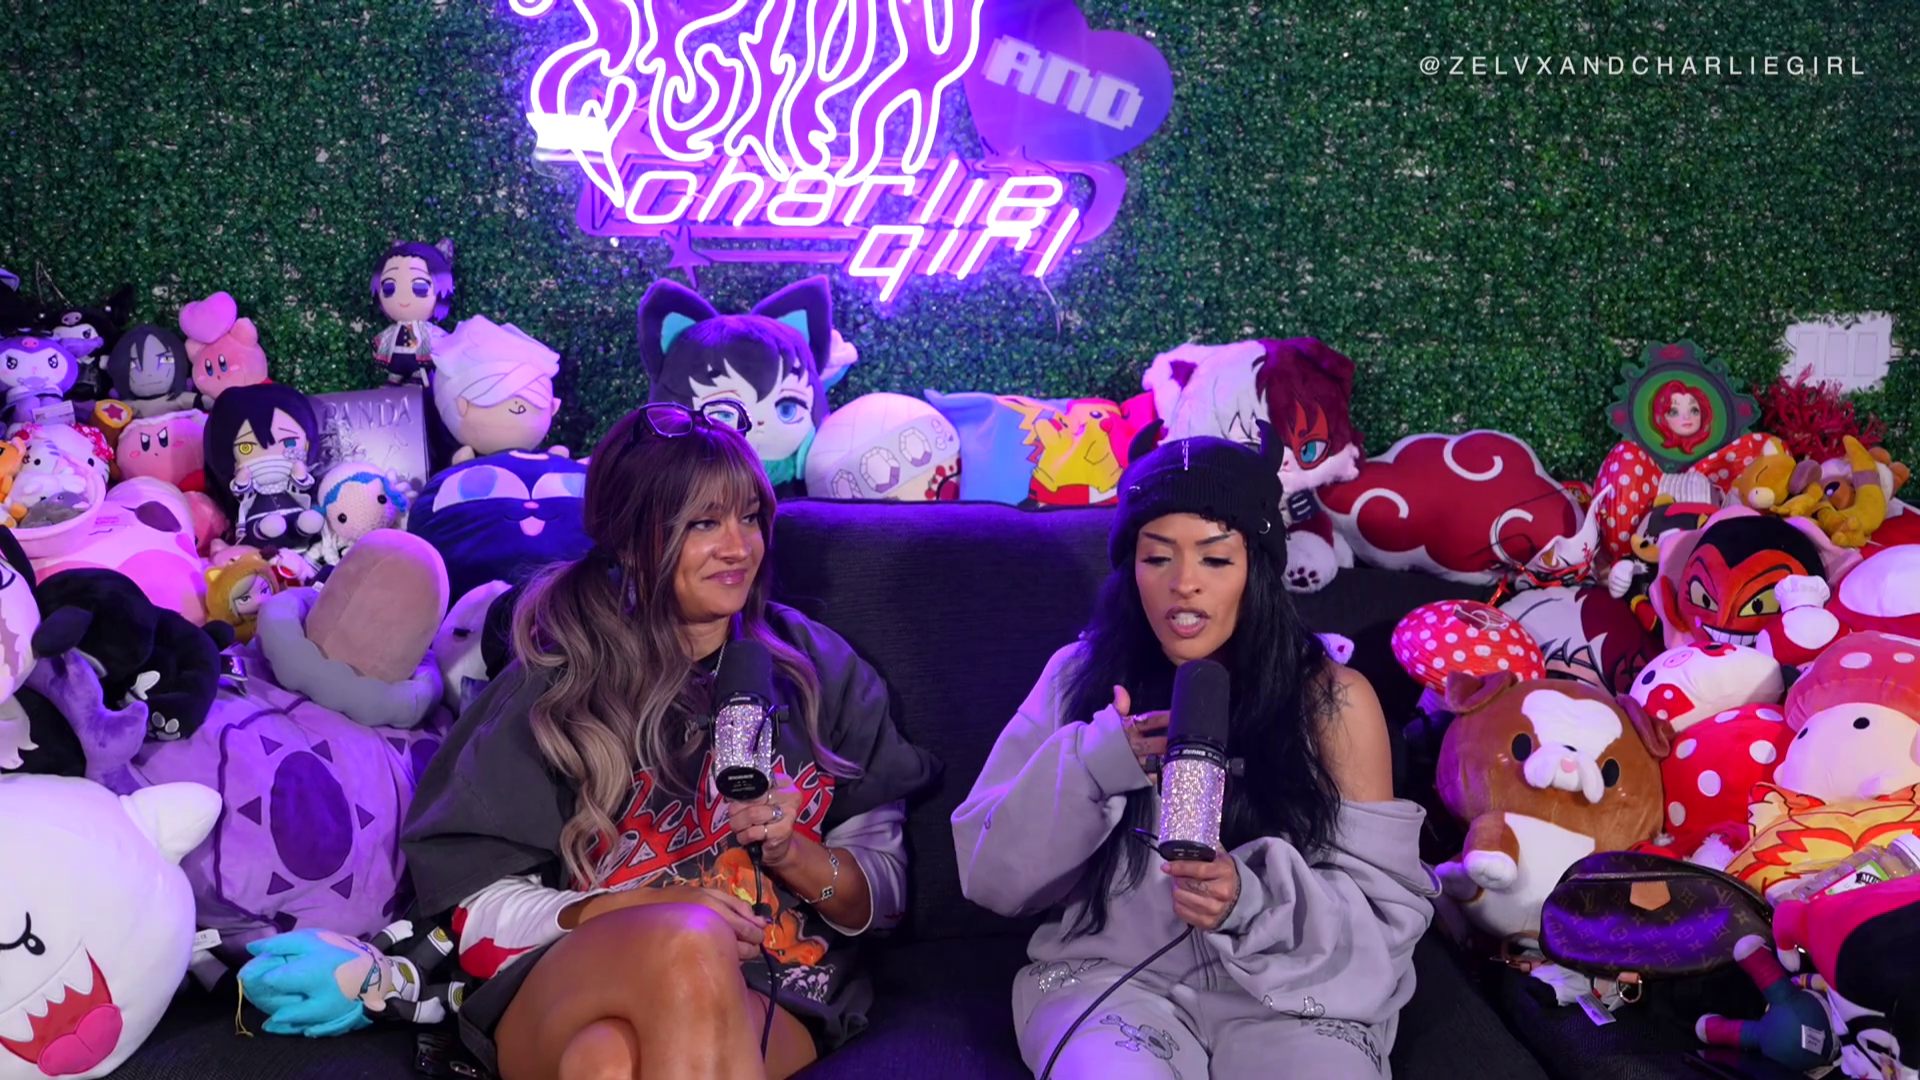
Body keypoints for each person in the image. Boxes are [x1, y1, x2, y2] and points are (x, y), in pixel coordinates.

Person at [402, 401, 940, 1080]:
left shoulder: (817, 672)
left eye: (750, 518)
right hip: (575, 975)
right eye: (703, 524)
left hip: (773, 989)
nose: (738, 548)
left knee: (604, 1064)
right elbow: (476, 914)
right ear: (630, 541)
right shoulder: (552, 689)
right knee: (690, 941)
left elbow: (883, 901)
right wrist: (640, 907)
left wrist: (793, 851)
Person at [952, 425, 1437, 1079]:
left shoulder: (1334, 700)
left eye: (1215, 559)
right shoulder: (1076, 677)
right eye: (1158, 558)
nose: (1184, 584)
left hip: (1289, 997)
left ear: (1257, 568)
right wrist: (1093, 765)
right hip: (1113, 984)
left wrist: (1250, 901)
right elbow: (990, 879)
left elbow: (1383, 923)